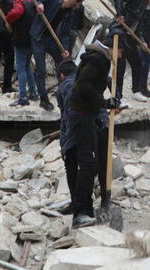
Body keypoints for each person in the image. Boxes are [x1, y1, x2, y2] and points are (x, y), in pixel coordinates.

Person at [65, 44, 120, 228]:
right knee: (87, 163)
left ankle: (86, 210)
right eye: (119, 53)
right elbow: (84, 86)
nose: (118, 57)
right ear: (112, 49)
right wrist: (103, 102)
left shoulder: (98, 60)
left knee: (90, 163)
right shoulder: (98, 61)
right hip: (81, 115)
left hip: (86, 114)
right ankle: (80, 212)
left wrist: (108, 100)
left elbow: (93, 85)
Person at [56, 60, 111, 215]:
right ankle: (104, 202)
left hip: (82, 125)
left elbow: (68, 114)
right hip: (102, 125)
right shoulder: (89, 79)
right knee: (100, 165)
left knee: (74, 165)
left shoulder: (65, 87)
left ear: (61, 75)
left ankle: (80, 206)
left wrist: (65, 142)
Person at [31, 0, 85, 111]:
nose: (79, 7)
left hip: (50, 38)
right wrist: (39, 5)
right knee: (41, 68)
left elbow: (65, 33)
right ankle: (43, 99)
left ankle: (63, 93)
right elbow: (37, 0)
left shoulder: (69, 13)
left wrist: (65, 48)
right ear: (75, 1)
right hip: (37, 37)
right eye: (80, 4)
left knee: (62, 62)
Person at [108, 0, 150, 100]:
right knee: (119, 68)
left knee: (137, 63)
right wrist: (120, 13)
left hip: (131, 36)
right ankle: (118, 97)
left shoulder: (146, 6)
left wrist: (142, 41)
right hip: (119, 33)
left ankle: (136, 91)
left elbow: (139, 26)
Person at [7, 0, 39, 107]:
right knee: (27, 66)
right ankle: (33, 93)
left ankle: (23, 97)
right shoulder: (33, 2)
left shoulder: (20, 3)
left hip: (21, 39)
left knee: (21, 68)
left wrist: (8, 19)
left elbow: (15, 13)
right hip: (31, 39)